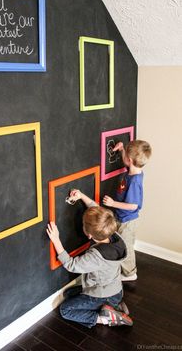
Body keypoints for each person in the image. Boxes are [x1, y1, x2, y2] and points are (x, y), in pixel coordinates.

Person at [47, 190, 133, 328]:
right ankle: (114, 306)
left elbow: (71, 264)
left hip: (104, 294)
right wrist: (81, 195)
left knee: (65, 309)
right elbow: (97, 210)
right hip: (116, 290)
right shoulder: (113, 235)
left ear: (88, 235)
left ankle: (105, 317)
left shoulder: (96, 256)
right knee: (68, 293)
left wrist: (56, 239)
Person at [103, 139, 152, 281]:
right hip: (123, 217)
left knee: (127, 247)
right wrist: (122, 149)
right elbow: (127, 162)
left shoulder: (135, 181)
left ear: (130, 160)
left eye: (125, 156)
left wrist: (113, 203)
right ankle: (122, 267)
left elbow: (133, 206)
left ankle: (130, 273)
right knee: (122, 243)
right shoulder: (133, 169)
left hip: (128, 220)